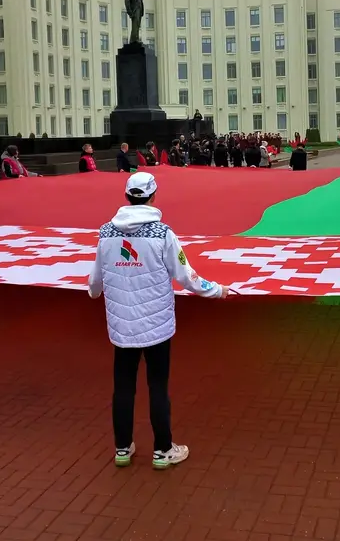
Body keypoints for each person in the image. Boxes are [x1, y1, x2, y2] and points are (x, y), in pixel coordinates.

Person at [87, 172, 230, 470]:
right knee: (157, 386)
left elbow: (95, 281)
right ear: (153, 196)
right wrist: (217, 291)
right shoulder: (163, 234)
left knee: (123, 387)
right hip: (157, 327)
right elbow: (186, 277)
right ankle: (163, 450)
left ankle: (122, 448)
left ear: (127, 196)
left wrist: (96, 292)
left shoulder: (106, 233)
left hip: (121, 326)